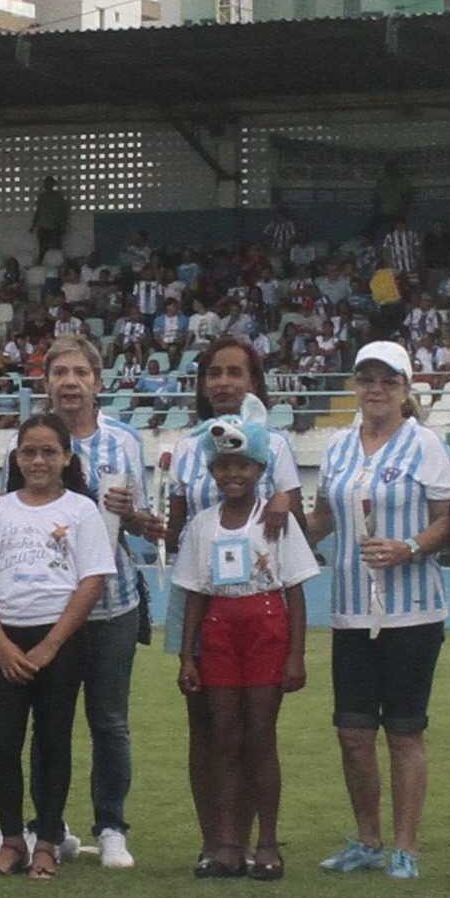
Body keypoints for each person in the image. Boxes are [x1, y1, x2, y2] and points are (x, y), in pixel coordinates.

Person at [301, 341, 450, 880]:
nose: (376, 389)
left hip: (411, 612)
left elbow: (447, 521)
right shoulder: (339, 447)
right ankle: (368, 839)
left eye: (388, 380)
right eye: (367, 379)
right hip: (348, 609)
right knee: (352, 731)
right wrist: (272, 524)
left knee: (404, 732)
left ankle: (406, 846)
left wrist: (407, 547)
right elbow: (322, 519)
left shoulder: (426, 446)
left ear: (405, 389)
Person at [0, 413, 117, 875]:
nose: (38, 460)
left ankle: (47, 841)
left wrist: (51, 645)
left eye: (49, 451)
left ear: (66, 457)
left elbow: (91, 582)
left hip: (60, 640)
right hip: (8, 641)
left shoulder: (81, 510)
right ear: (16, 457)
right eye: (29, 451)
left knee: (54, 741)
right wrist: (1, 644)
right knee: (3, 741)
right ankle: (12, 840)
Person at [167, 339, 298, 865]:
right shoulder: (183, 447)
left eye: (235, 372)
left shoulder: (277, 445)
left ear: (253, 381)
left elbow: (287, 514)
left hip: (255, 603)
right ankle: (215, 841)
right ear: (201, 384)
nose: (223, 382)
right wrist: (140, 521)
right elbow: (175, 529)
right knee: (206, 725)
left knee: (251, 728)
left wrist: (287, 500)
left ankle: (250, 840)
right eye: (214, 373)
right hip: (200, 595)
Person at [36, 333, 161, 869]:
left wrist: (131, 513)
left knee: (109, 720)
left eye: (80, 372)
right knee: (50, 720)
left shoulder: (125, 441)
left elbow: (149, 524)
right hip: (45, 603)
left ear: (98, 381)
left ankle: (111, 826)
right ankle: (49, 827)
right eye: (60, 372)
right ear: (46, 383)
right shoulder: (35, 438)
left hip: (111, 603)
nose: (70, 382)